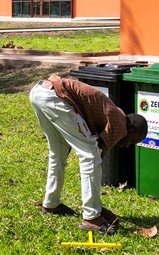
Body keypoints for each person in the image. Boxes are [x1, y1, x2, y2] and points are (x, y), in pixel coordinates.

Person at [29, 73, 147, 234]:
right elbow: (96, 154)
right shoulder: (121, 124)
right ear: (132, 128)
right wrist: (98, 210)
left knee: (58, 153)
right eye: (132, 141)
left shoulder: (114, 114)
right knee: (90, 155)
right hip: (56, 97)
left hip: (40, 91)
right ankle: (91, 217)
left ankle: (51, 204)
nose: (127, 146)